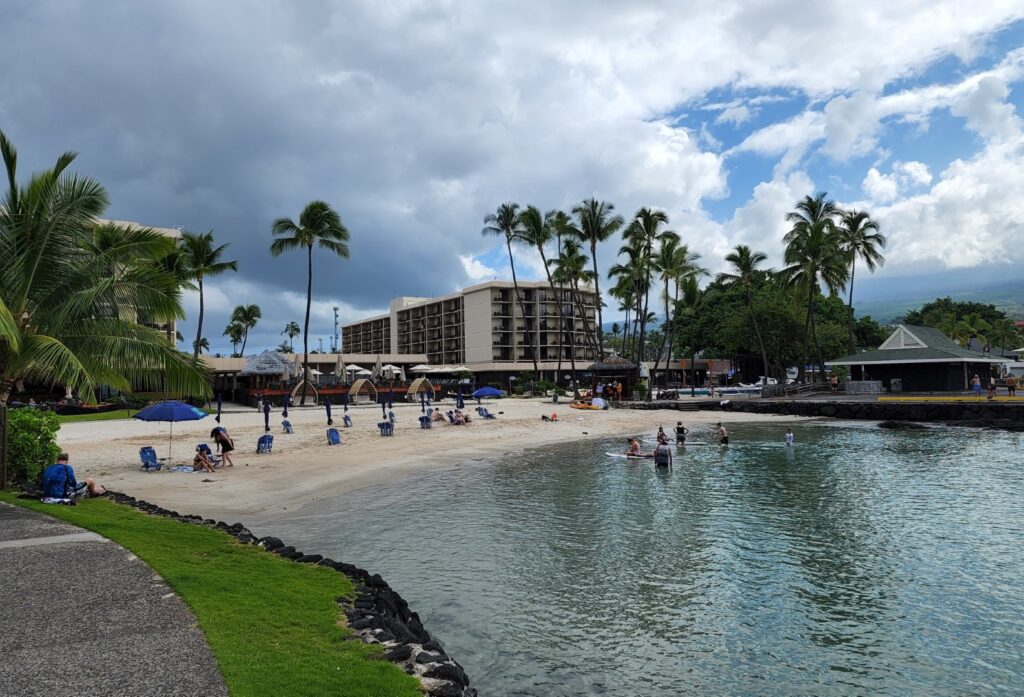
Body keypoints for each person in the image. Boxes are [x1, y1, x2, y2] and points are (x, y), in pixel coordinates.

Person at [41, 453, 105, 500]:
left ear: (57, 460)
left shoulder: (49, 468)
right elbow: (73, 484)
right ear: (67, 460)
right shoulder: (67, 468)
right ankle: (96, 491)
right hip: (62, 495)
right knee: (90, 480)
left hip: (47, 494)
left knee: (81, 482)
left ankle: (96, 489)